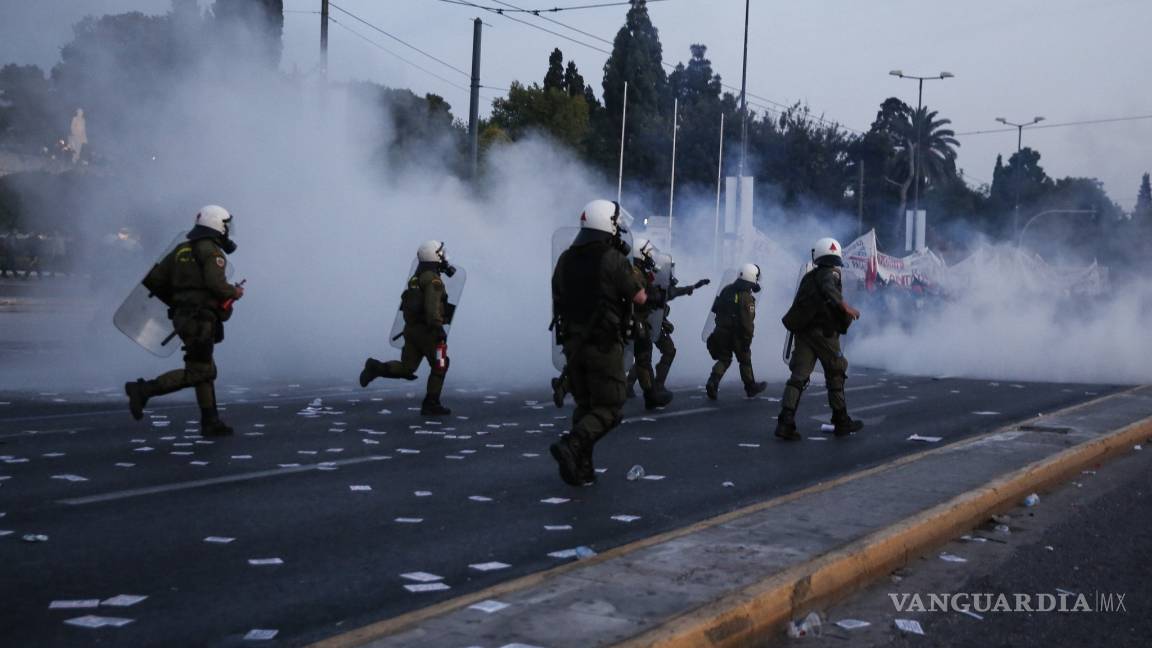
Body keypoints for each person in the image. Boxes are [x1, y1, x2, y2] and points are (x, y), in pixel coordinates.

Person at [549, 199, 646, 486]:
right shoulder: (611, 259)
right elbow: (639, 296)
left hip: (572, 344)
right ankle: (572, 445)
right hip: (603, 344)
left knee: (586, 405)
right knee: (610, 407)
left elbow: (558, 295)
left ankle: (582, 468)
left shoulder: (566, 258)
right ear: (608, 224)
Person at [125, 205, 244, 437]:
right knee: (199, 371)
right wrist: (233, 292)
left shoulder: (181, 249)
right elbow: (215, 284)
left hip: (183, 317)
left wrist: (179, 300)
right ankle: (143, 390)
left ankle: (210, 422)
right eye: (226, 225)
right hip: (200, 320)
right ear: (217, 225)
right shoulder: (212, 252)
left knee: (205, 367)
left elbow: (154, 280)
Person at [774, 237, 864, 440]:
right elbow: (828, 287)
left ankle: (785, 422)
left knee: (798, 377)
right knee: (836, 372)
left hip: (804, 333)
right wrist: (845, 307)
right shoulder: (831, 273)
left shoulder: (809, 276)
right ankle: (841, 421)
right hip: (824, 333)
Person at [359, 240, 456, 416]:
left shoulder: (416, 278)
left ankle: (376, 368)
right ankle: (431, 403)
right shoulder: (434, 280)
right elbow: (432, 307)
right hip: (428, 332)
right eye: (441, 254)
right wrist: (438, 329)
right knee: (440, 364)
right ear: (435, 256)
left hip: (411, 331)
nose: (444, 257)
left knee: (407, 367)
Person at [705, 264, 768, 400]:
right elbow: (747, 323)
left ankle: (713, 381)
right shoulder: (747, 297)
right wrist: (747, 340)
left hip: (721, 331)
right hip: (737, 335)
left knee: (725, 359)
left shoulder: (727, 289)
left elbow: (715, 309)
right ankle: (750, 387)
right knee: (745, 359)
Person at [626, 238, 674, 410]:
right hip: (636, 321)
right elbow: (641, 298)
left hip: (641, 321)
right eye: (648, 253)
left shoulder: (641, 272)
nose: (651, 257)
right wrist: (656, 298)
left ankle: (649, 394)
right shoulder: (635, 273)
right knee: (641, 357)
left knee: (642, 357)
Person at [651, 256, 708, 395]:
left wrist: (694, 286)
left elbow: (675, 291)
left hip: (649, 326)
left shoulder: (656, 285)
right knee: (668, 351)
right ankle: (657, 385)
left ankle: (630, 385)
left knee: (643, 354)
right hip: (652, 325)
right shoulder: (656, 287)